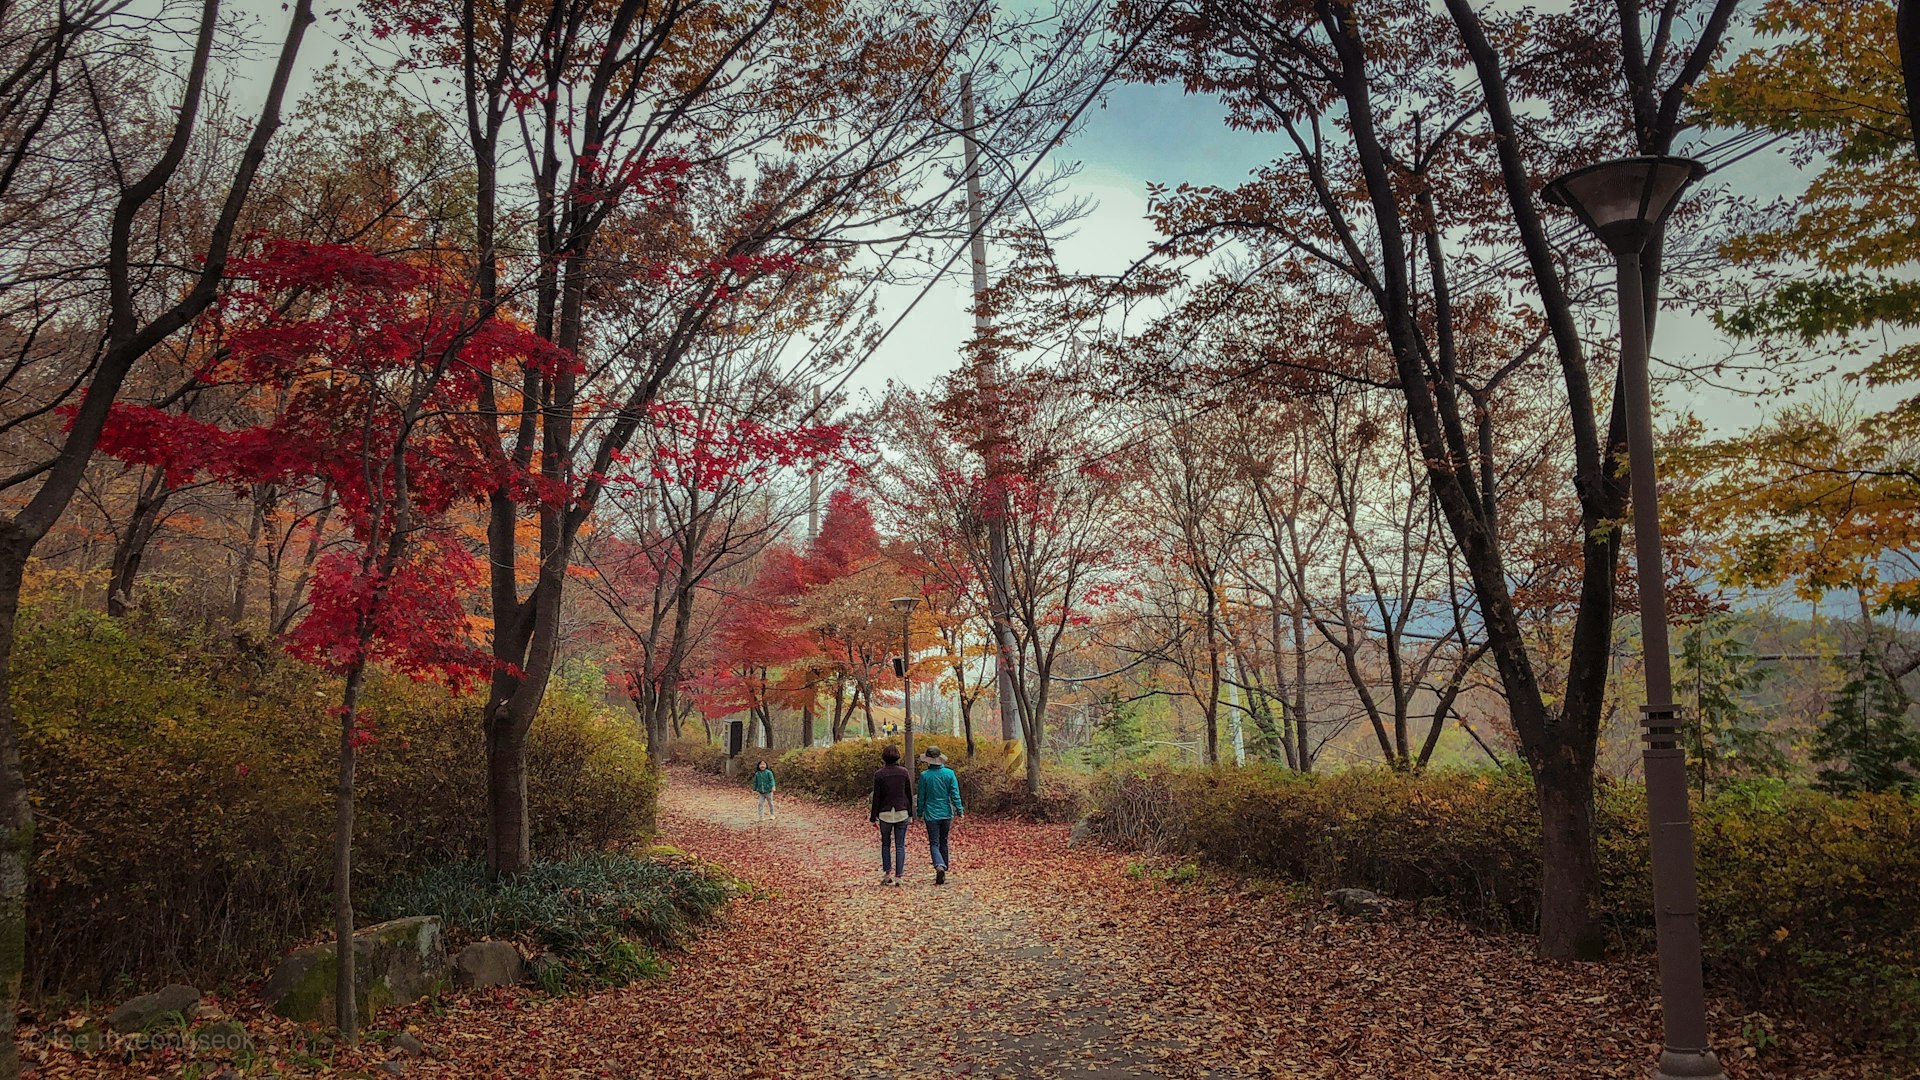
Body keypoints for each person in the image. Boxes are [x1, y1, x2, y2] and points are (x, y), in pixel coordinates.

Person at [915, 745, 963, 885]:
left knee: (934, 843)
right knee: (944, 841)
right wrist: (959, 810)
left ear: (928, 760)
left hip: (931, 814)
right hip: (946, 812)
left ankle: (939, 865)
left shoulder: (925, 776)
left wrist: (919, 812)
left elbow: (921, 797)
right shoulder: (949, 774)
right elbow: (955, 793)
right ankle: (944, 868)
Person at [869, 745, 912, 885]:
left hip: (885, 813)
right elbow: (908, 794)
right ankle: (899, 876)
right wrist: (911, 814)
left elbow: (877, 797)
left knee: (886, 844)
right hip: (902, 811)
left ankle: (887, 874)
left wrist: (873, 817)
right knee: (900, 845)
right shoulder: (904, 772)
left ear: (884, 757)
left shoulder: (879, 774)